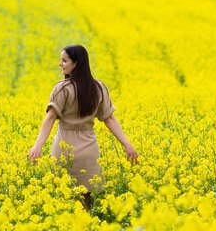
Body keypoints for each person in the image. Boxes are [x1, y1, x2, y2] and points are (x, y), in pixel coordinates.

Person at [28, 44, 139, 211]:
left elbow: (50, 117)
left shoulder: (62, 89)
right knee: (88, 203)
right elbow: (109, 119)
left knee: (62, 199)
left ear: (76, 63)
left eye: (64, 60)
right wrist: (127, 144)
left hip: (64, 148)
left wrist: (38, 145)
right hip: (89, 149)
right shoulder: (99, 88)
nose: (61, 64)